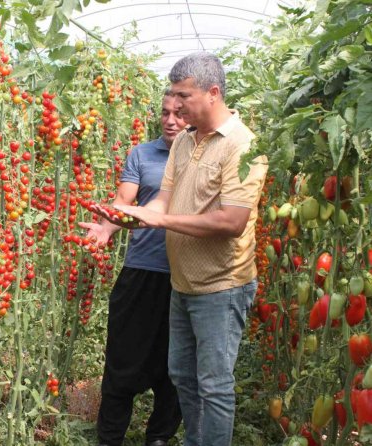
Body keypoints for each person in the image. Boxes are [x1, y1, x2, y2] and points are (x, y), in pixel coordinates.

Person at [107, 52, 268, 446]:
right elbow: (163, 201)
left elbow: (232, 222)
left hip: (222, 285)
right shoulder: (184, 142)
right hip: (184, 283)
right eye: (173, 96)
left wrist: (160, 220)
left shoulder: (243, 146)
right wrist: (130, 214)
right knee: (182, 375)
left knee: (214, 385)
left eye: (183, 96)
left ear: (212, 93)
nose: (174, 106)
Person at [81, 91, 187, 446]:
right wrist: (107, 227)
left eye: (179, 113)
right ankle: (109, 439)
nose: (171, 120)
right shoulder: (142, 154)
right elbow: (124, 203)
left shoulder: (204, 155)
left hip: (186, 276)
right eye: (165, 113)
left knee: (175, 366)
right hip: (142, 271)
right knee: (123, 360)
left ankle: (159, 438)